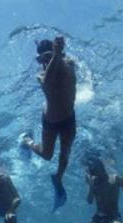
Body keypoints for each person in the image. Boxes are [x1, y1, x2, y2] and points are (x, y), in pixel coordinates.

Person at [20, 36, 77, 212]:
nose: (45, 62)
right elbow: (47, 82)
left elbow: (66, 68)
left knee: (65, 153)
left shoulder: (68, 64)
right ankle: (26, 141)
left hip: (69, 119)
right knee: (47, 155)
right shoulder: (42, 75)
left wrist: (57, 54)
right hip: (50, 121)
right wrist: (56, 54)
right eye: (42, 59)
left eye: (48, 57)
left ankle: (58, 178)